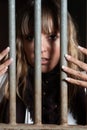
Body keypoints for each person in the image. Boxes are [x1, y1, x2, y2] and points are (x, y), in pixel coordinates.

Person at [0, 0, 87, 125]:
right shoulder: (5, 82)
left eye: (52, 37)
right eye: (30, 37)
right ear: (21, 43)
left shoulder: (84, 82)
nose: (40, 48)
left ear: (66, 40)